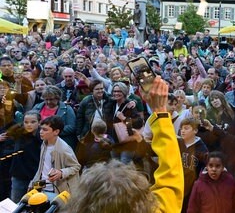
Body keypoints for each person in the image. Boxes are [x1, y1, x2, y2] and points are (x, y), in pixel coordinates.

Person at [63, 76, 184, 212]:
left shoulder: (130, 106)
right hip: (114, 144)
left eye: (119, 92)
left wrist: (125, 119)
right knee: (117, 173)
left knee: (122, 170)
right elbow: (171, 182)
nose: (116, 94)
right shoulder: (110, 105)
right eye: (114, 92)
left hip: (127, 145)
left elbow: (137, 123)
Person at [30, 115, 80, 194]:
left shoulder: (64, 148)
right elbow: (41, 169)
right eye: (41, 129)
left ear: (56, 132)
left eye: (45, 130)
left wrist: (61, 173)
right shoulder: (44, 144)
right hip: (42, 187)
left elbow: (76, 166)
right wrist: (32, 185)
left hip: (56, 190)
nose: (41, 132)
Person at [8, 111, 42, 202]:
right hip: (19, 176)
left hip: (38, 177)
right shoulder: (19, 134)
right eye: (26, 122)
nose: (29, 125)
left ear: (39, 122)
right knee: (16, 203)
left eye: (33, 122)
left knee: (37, 203)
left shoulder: (43, 137)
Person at [177, 117, 208, 212]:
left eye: (186, 128)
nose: (182, 131)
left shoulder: (202, 149)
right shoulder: (178, 143)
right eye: (181, 128)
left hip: (191, 188)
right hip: (177, 183)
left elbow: (207, 168)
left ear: (195, 130)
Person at [32, 85, 77, 150]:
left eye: (51, 99)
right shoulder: (37, 107)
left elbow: (71, 127)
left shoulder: (67, 109)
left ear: (58, 98)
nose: (48, 102)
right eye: (46, 99)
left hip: (59, 144)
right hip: (38, 143)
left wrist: (52, 132)